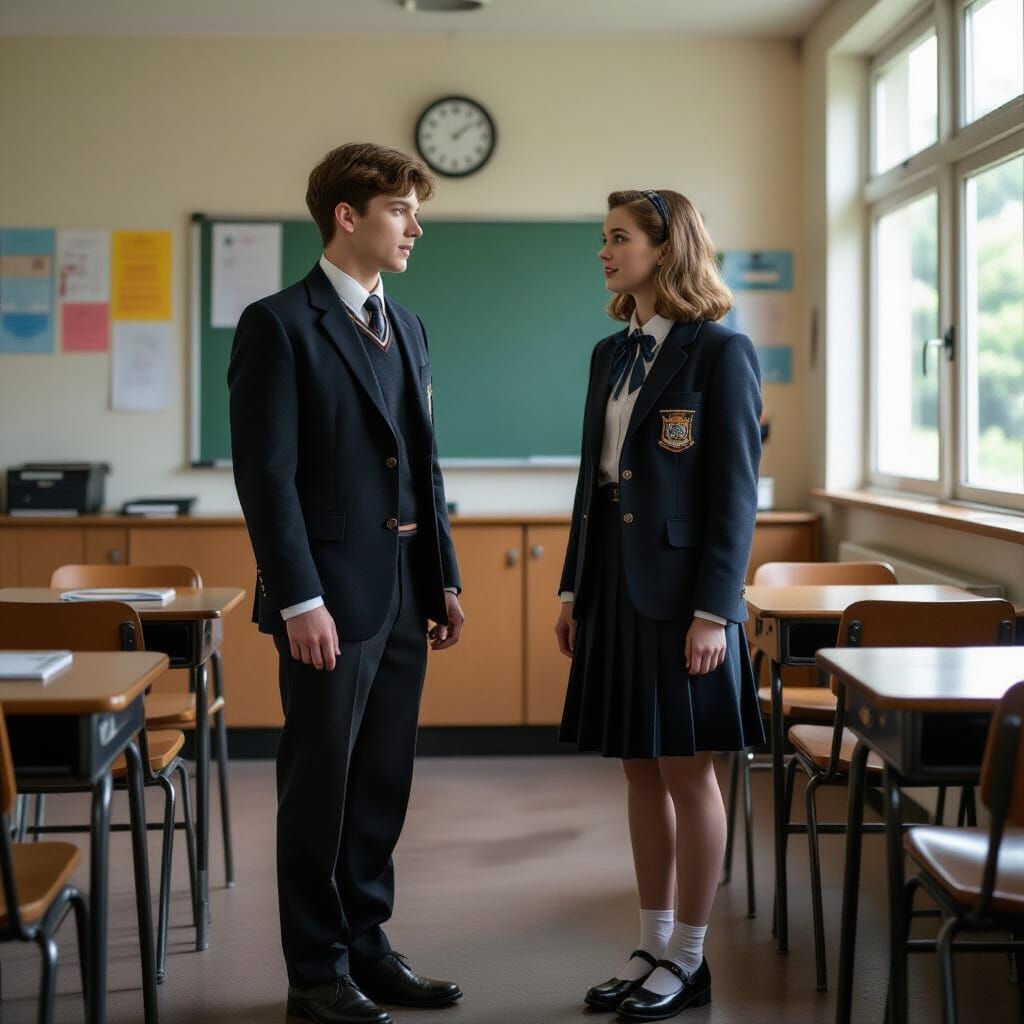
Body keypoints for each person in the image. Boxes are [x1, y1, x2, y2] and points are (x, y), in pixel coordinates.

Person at [229, 142, 465, 1024]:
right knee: (320, 784)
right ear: (348, 216)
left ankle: (369, 945)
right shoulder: (279, 325)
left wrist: (442, 574)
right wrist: (299, 599)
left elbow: (425, 465)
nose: (415, 227)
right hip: (327, 597)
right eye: (403, 209)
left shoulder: (407, 326)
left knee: (382, 782)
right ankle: (316, 971)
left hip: (406, 587)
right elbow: (267, 481)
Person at [555, 188, 765, 1021]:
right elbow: (590, 488)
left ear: (665, 247)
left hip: (685, 599)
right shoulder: (611, 353)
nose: (604, 253)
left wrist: (716, 613)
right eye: (604, 239)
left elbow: (735, 497)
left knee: (688, 771)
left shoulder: (721, 352)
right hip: (613, 583)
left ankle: (690, 956)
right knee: (639, 767)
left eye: (618, 238)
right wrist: (573, 587)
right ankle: (651, 942)